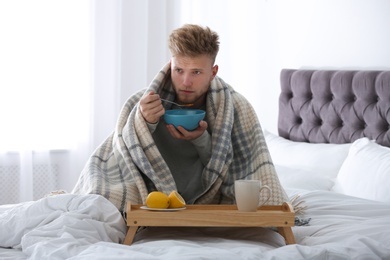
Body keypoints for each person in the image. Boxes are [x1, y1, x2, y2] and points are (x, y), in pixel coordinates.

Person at [72, 24, 287, 212]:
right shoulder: (144, 102)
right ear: (170, 65)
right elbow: (124, 150)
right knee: (94, 202)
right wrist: (144, 122)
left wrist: (200, 139)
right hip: (150, 193)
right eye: (179, 70)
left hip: (206, 198)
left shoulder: (236, 107)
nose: (185, 82)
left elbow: (234, 166)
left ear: (213, 72)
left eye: (196, 72)